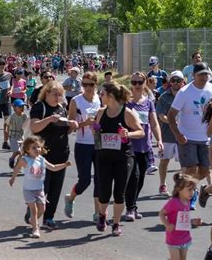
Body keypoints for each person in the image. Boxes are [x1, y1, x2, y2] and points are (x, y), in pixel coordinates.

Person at [93, 82, 144, 236]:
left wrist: (128, 134)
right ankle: (102, 215)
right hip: (104, 157)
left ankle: (116, 223)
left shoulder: (127, 113)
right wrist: (95, 131)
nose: (100, 96)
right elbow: (96, 134)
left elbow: (141, 132)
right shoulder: (101, 112)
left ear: (110, 96)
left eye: (102, 94)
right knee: (104, 193)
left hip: (123, 157)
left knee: (119, 193)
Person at [29, 81, 78, 229]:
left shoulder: (62, 108)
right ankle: (32, 212)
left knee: (56, 188)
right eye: (55, 94)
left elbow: (65, 130)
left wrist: (71, 126)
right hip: (42, 154)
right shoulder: (40, 107)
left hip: (61, 153)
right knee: (42, 187)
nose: (58, 97)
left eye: (60, 95)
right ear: (47, 93)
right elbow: (34, 127)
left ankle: (49, 218)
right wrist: (49, 119)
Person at [168, 62, 212, 209]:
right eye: (201, 74)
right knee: (191, 169)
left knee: (205, 171)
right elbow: (171, 115)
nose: (204, 77)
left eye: (206, 74)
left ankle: (183, 186)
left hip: (206, 139)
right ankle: (182, 202)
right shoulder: (184, 92)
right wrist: (178, 135)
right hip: (187, 138)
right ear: (193, 75)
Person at [9, 136, 71, 238]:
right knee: (34, 210)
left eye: (38, 147)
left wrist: (64, 165)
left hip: (39, 189)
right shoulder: (25, 160)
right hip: (28, 190)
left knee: (42, 209)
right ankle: (35, 229)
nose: (37, 149)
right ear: (27, 150)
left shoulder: (42, 160)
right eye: (33, 147)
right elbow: (17, 168)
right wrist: (13, 178)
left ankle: (32, 221)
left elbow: (53, 167)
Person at [125, 72, 163, 221]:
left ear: (144, 83)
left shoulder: (148, 103)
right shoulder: (126, 102)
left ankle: (132, 205)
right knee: (134, 176)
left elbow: (154, 123)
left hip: (144, 146)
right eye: (134, 82)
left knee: (140, 178)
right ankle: (130, 208)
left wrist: (159, 140)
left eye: (140, 82)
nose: (137, 85)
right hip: (128, 146)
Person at [64, 71, 101, 222]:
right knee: (85, 180)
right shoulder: (76, 101)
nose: (87, 88)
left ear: (95, 85)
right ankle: (71, 197)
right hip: (83, 144)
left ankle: (98, 213)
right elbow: (70, 125)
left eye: (90, 85)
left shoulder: (100, 99)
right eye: (84, 84)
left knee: (100, 179)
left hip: (98, 144)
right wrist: (83, 124)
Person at [156, 71, 185, 196]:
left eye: (178, 80)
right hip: (167, 135)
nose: (176, 83)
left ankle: (181, 188)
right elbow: (161, 116)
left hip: (183, 136)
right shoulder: (164, 97)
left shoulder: (186, 95)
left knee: (185, 165)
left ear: (182, 81)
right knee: (164, 161)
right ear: (169, 82)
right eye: (173, 80)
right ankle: (162, 185)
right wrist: (173, 123)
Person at [159, 173, 197, 260]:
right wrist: (167, 225)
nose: (192, 192)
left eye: (193, 189)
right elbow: (161, 214)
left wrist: (193, 221)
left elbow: (184, 219)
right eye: (189, 189)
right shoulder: (173, 202)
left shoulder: (188, 202)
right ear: (179, 189)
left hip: (185, 237)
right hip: (173, 238)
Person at [7, 99, 28, 169]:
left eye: (23, 106)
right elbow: (6, 124)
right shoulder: (12, 116)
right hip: (13, 136)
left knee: (21, 152)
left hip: (21, 136)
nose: (22, 108)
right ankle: (12, 159)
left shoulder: (24, 116)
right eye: (20, 106)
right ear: (14, 108)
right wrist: (6, 136)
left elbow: (28, 124)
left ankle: (16, 165)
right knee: (18, 151)